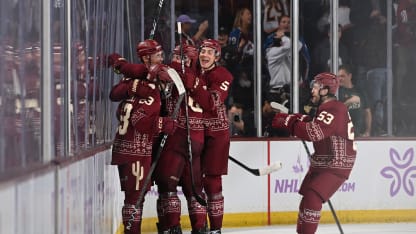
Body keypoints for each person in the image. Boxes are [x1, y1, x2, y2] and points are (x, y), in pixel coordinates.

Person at [271, 72, 357, 234]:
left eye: (316, 86)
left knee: (312, 197)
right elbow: (314, 122)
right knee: (306, 201)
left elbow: (314, 133)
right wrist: (295, 118)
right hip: (322, 162)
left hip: (336, 163)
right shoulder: (326, 108)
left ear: (325, 90)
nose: (312, 90)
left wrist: (290, 122)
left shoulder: (334, 108)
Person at [107, 39, 177, 234]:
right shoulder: (150, 90)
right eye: (158, 55)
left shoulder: (133, 81)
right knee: (135, 198)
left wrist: (132, 84)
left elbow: (115, 95)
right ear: (147, 58)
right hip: (136, 151)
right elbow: (140, 120)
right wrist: (164, 124)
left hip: (124, 148)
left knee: (134, 197)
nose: (162, 59)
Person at [153, 44, 208, 234]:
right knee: (194, 190)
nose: (174, 60)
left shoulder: (172, 74)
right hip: (197, 139)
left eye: (178, 57)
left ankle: (171, 227)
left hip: (177, 137)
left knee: (167, 186)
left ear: (187, 60)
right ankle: (200, 227)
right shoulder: (201, 78)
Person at [186, 39, 233, 234]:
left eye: (209, 52)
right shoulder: (193, 70)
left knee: (213, 182)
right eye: (202, 51)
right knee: (194, 181)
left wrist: (194, 84)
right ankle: (198, 227)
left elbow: (212, 102)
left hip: (216, 135)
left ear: (216, 57)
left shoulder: (223, 75)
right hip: (194, 132)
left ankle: (215, 229)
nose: (204, 55)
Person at [338, 64, 372, 137]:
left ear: (350, 76)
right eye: (338, 76)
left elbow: (367, 112)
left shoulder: (360, 91)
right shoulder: (337, 93)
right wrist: (349, 102)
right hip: (344, 135)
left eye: (342, 76)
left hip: (360, 136)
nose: (339, 78)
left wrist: (367, 131)